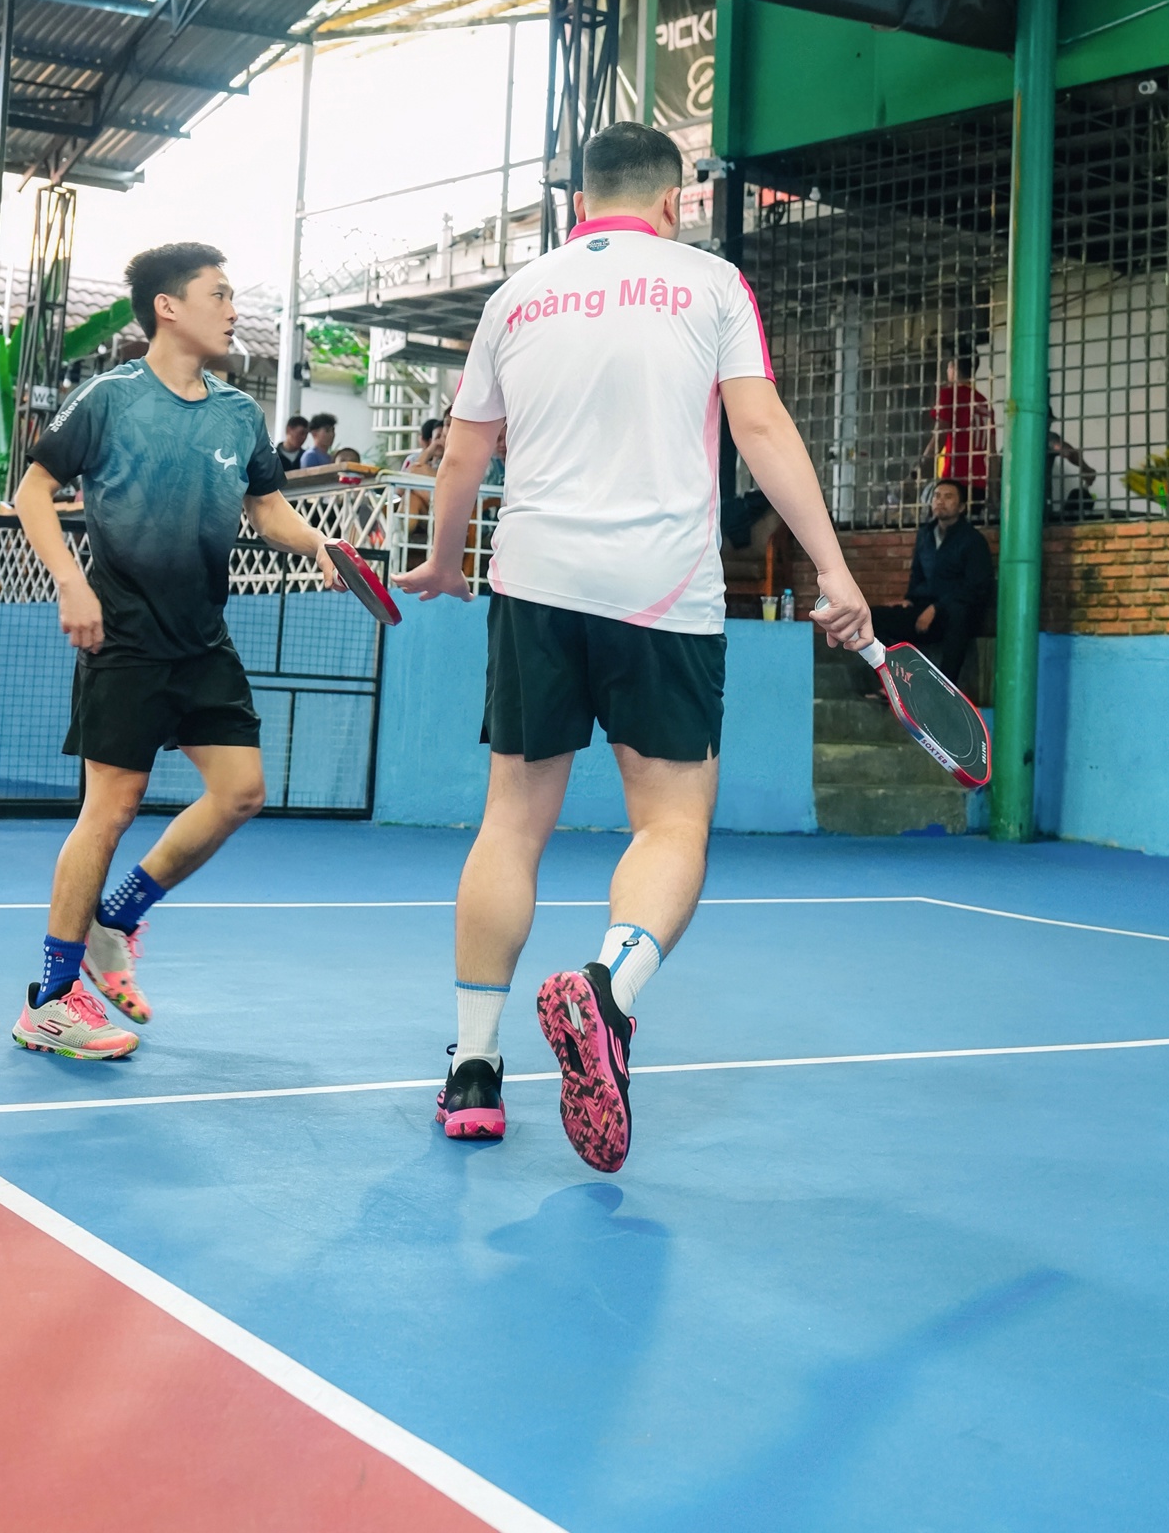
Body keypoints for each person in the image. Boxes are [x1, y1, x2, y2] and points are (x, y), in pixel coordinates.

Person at [398, 121, 871, 1173]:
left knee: (511, 824)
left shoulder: (516, 294)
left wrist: (441, 560)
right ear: (674, 201)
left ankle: (473, 1071)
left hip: (535, 582)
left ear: (580, 204)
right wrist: (833, 569)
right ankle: (607, 991)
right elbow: (760, 430)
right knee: (669, 824)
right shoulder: (712, 285)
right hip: (661, 591)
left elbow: (466, 450)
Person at [8, 243, 340, 1061]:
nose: (233, 309)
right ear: (168, 306)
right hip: (123, 634)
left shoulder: (236, 413)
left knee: (240, 792)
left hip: (202, 639)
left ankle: (116, 919)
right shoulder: (109, 398)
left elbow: (266, 508)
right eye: (218, 294)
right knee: (110, 809)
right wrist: (70, 583)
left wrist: (318, 545)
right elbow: (32, 493)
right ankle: (48, 1001)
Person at [875, 478, 995, 686]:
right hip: (924, 611)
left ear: (961, 507)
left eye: (948, 497)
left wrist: (937, 608)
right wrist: (909, 600)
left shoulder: (972, 540)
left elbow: (977, 586)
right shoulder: (925, 535)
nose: (940, 501)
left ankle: (944, 689)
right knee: (872, 618)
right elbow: (918, 574)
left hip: (954, 616)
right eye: (937, 496)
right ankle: (896, 683)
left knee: (958, 613)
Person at [919, 352, 993, 514]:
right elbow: (992, 453)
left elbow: (940, 436)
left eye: (948, 367)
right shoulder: (985, 404)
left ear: (953, 368)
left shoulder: (950, 394)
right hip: (979, 484)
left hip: (953, 482)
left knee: (940, 524)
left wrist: (919, 469)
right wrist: (993, 491)